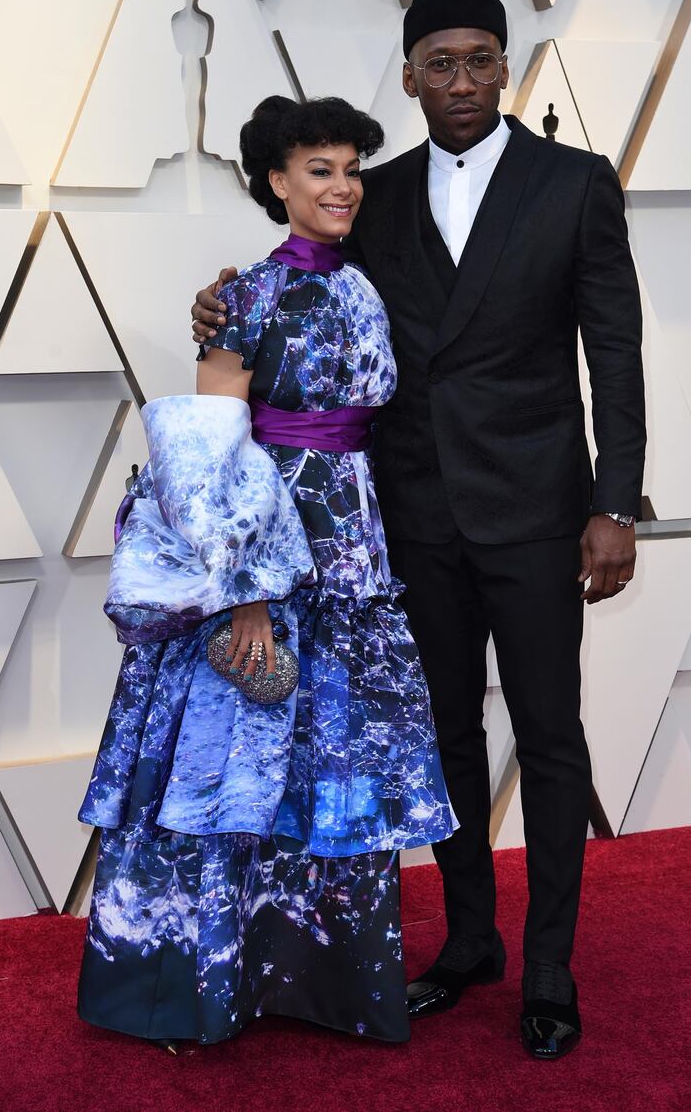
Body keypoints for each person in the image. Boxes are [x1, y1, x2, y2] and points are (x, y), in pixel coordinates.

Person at [192, 0, 646, 1060]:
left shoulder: (574, 182)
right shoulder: (372, 193)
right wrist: (219, 303)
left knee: (548, 739)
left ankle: (547, 968)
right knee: (439, 737)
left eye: (480, 60)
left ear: (505, 66)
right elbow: (295, 278)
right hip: (411, 519)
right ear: (408, 77)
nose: (461, 79)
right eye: (439, 63)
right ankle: (470, 944)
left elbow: (613, 353)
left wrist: (614, 504)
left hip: (539, 514)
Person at [77, 95, 456, 1051]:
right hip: (271, 546)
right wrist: (246, 594)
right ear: (277, 183)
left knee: (334, 758)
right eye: (318, 170)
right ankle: (196, 983)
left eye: (349, 168)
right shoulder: (243, 295)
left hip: (354, 546)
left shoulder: (363, 284)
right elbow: (213, 451)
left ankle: (323, 976)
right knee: (233, 758)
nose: (340, 186)